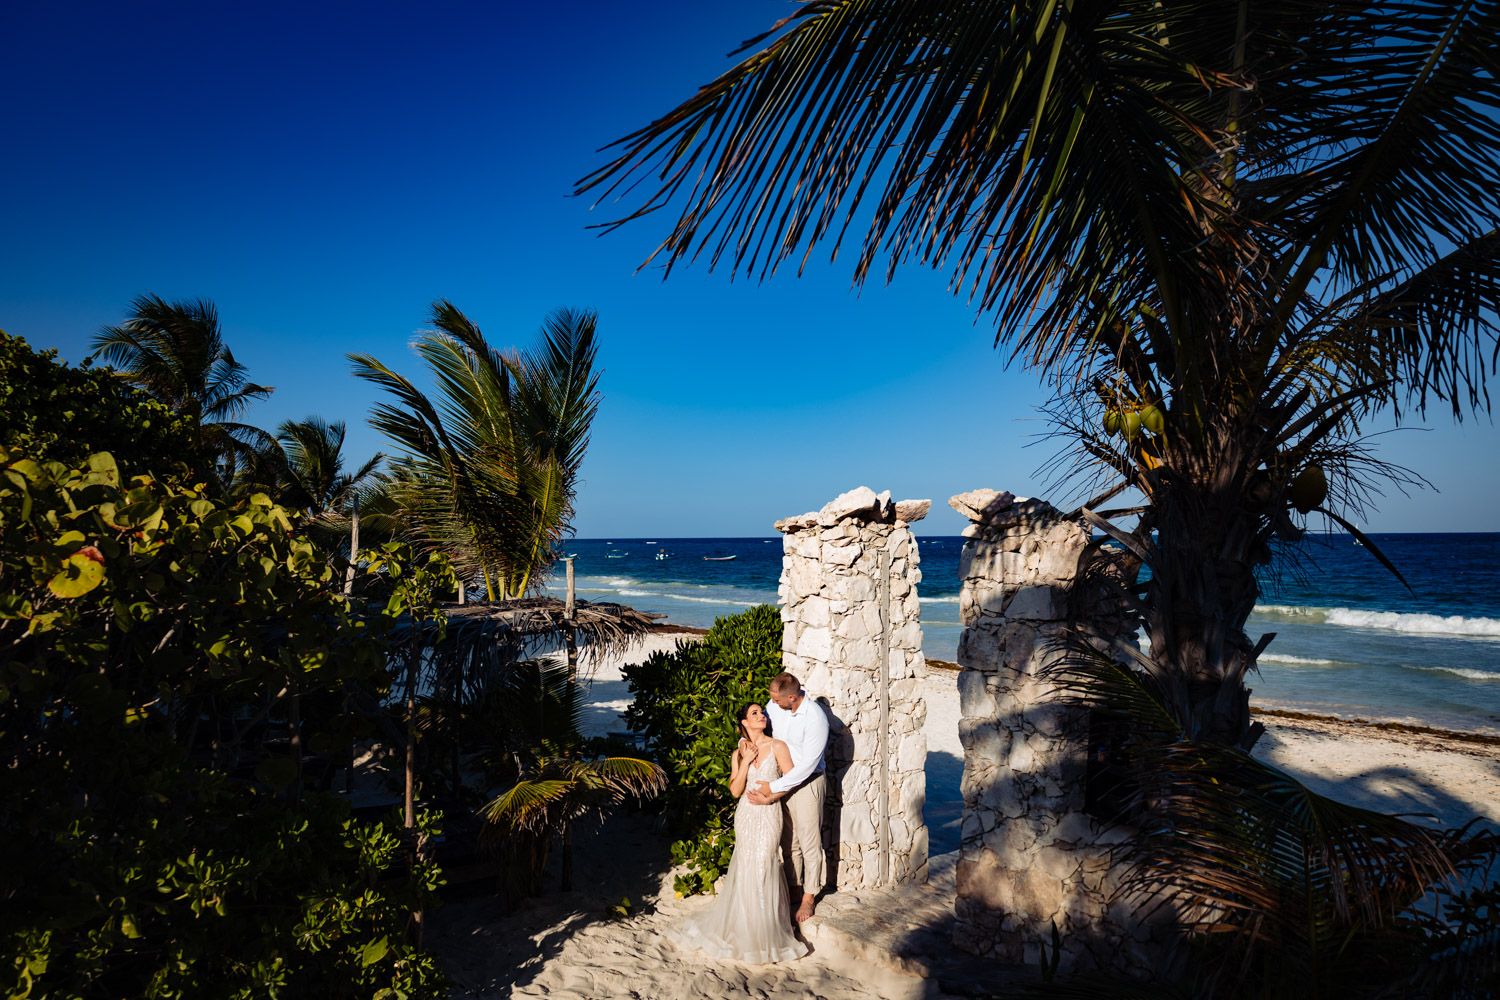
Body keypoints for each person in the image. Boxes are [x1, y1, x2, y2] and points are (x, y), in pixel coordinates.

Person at [665, 704, 809, 964]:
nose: (761, 716)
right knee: (746, 866)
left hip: (768, 814)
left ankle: (765, 932)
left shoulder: (778, 747)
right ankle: (745, 929)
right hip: (745, 816)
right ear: (744, 722)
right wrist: (745, 759)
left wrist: (770, 798)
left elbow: (792, 780)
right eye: (754, 714)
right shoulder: (737, 753)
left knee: (765, 864)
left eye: (762, 713)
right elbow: (735, 789)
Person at [746, 671, 829, 923]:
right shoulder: (775, 704)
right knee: (788, 838)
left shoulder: (815, 720)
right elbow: (758, 730)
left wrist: (773, 789)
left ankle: (809, 896)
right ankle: (793, 886)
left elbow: (806, 767)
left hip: (808, 781)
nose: (771, 705)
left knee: (809, 840)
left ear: (792, 697)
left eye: (777, 700)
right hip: (782, 777)